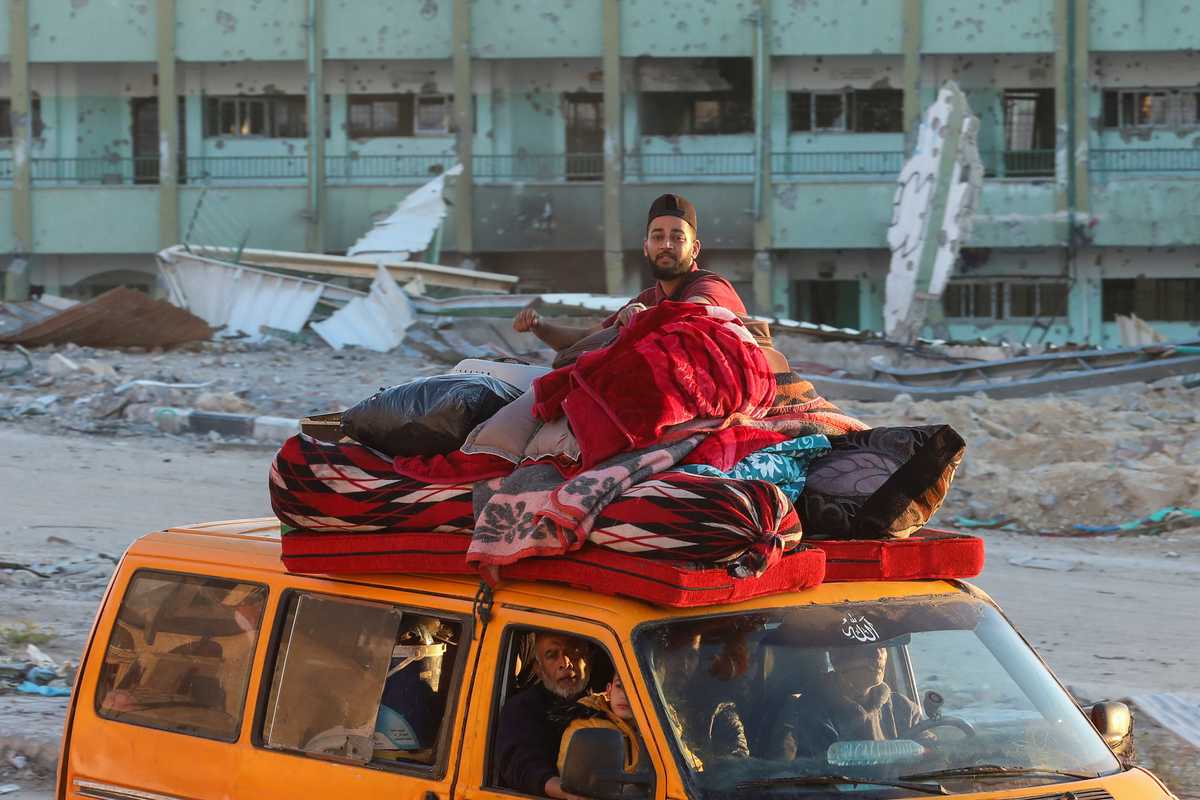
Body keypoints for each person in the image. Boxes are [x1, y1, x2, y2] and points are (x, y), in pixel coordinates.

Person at [512, 193, 748, 351]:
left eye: (677, 238)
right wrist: (539, 326)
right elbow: (583, 340)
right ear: (646, 247)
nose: (666, 245)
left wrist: (642, 318)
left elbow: (688, 315)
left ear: (694, 249)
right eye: (658, 237)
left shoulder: (711, 286)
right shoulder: (647, 299)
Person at [765, 646, 924, 761]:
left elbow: (932, 757)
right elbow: (784, 774)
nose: (878, 654)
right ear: (837, 659)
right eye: (866, 647)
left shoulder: (903, 708)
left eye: (882, 646)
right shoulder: (800, 712)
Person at [495, 632, 592, 799]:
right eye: (552, 655)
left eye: (573, 652)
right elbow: (520, 764)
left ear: (588, 661)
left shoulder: (606, 703)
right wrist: (566, 792)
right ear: (538, 670)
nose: (565, 663)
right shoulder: (523, 708)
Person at [652, 629, 749, 764]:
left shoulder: (718, 712)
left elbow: (737, 762)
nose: (683, 665)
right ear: (659, 659)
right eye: (676, 654)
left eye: (691, 656)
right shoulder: (639, 700)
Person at [557, 674, 645, 775]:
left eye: (635, 688)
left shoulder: (656, 727)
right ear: (609, 690)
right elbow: (577, 778)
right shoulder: (588, 727)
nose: (624, 695)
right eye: (619, 686)